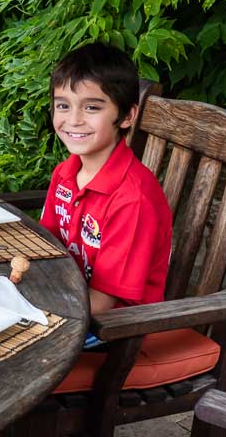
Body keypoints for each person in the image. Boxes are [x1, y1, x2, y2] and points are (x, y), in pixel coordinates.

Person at [39, 42, 172, 318]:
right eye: (63, 105)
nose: (73, 120)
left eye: (91, 108)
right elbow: (45, 250)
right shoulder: (65, 173)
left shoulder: (132, 199)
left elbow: (104, 302)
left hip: (115, 327)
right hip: (70, 298)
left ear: (126, 116)